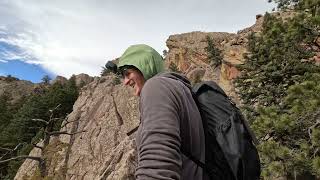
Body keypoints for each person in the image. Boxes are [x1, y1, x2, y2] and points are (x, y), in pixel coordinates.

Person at [117, 44, 207, 180]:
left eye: (127, 73)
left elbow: (157, 166)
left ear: (143, 66)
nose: (125, 81)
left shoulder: (156, 87)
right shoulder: (179, 88)